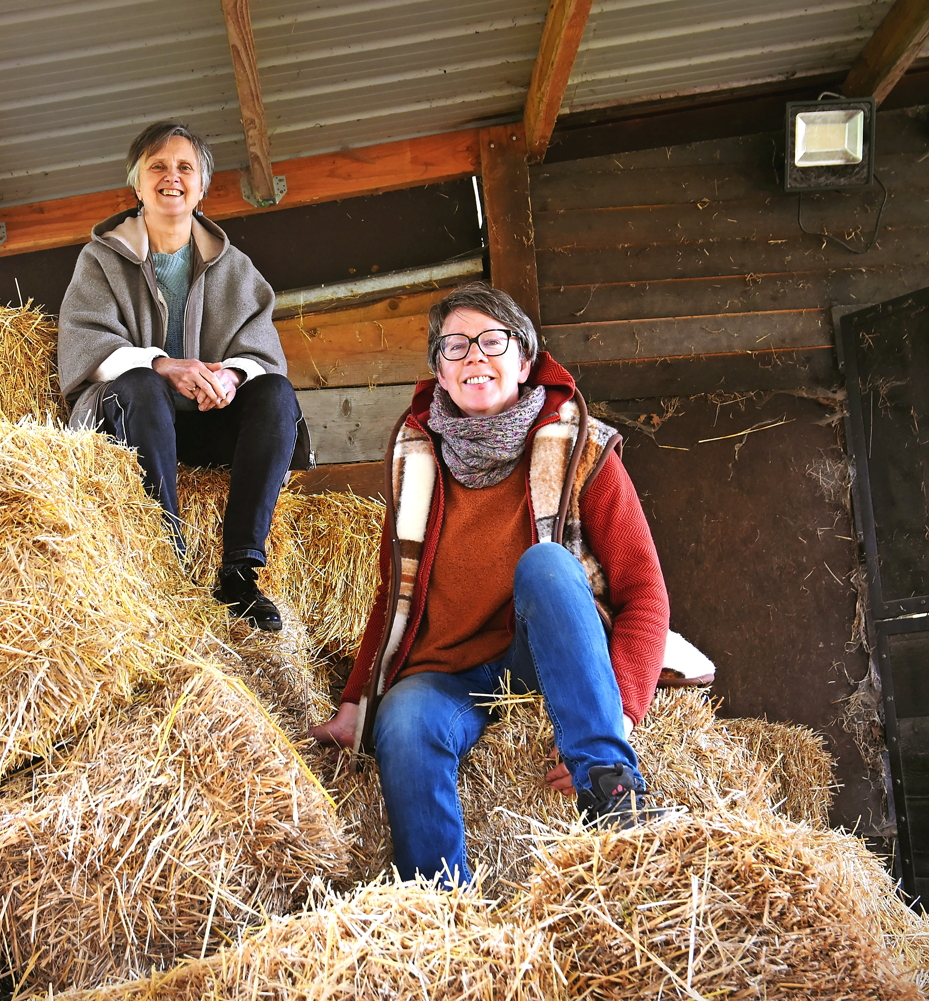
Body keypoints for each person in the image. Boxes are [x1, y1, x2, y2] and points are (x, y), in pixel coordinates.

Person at [308, 281, 671, 886]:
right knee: (403, 720)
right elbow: (390, 597)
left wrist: (621, 712)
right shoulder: (415, 464)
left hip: (538, 657)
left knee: (548, 565)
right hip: (450, 675)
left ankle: (609, 786)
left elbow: (645, 593)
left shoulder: (582, 450)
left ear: (525, 362)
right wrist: (355, 705)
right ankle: (442, 914)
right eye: (455, 347)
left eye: (492, 341)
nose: (474, 356)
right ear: (440, 374)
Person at [58, 121, 312, 632]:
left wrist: (231, 377)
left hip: (206, 421)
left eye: (184, 167)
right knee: (142, 385)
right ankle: (168, 563)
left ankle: (239, 570)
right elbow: (86, 344)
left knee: (276, 393)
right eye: (157, 166)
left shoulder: (235, 267)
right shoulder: (101, 258)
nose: (170, 177)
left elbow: (261, 354)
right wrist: (162, 364)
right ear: (136, 184)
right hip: (129, 426)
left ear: (202, 186)